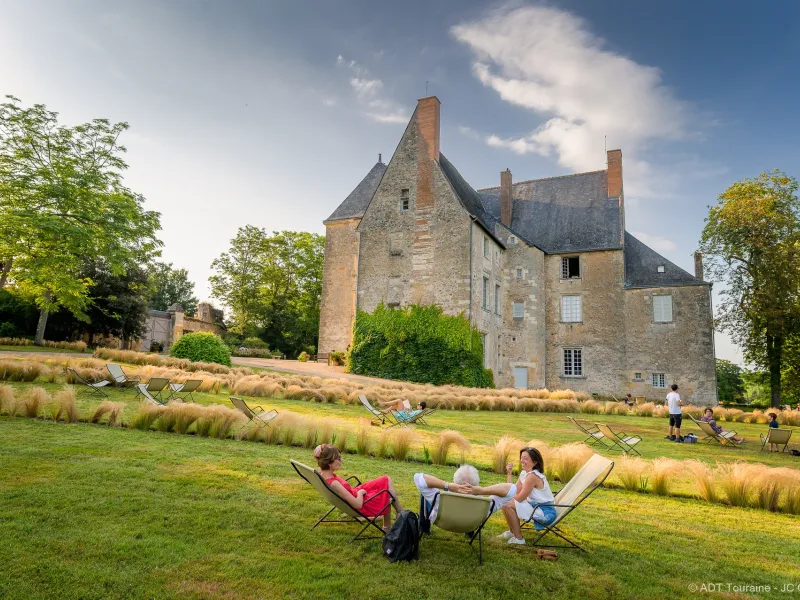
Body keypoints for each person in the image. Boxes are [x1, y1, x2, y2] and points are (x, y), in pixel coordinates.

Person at [465, 447, 555, 546]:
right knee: (506, 501)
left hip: (544, 512)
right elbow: (513, 490)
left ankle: (519, 538)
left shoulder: (533, 476)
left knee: (508, 504)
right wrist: (509, 473)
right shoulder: (525, 473)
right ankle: (512, 531)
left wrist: (507, 496)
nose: (522, 461)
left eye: (526, 458)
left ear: (535, 462)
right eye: (521, 457)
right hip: (534, 507)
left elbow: (519, 498)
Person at [314, 444, 403, 530]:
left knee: (385, 480)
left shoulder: (322, 473)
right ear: (329, 463)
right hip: (362, 501)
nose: (341, 461)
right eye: (338, 458)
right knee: (386, 491)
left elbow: (321, 458)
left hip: (355, 492)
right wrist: (360, 493)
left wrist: (321, 447)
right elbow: (357, 505)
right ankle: (398, 516)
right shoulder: (334, 483)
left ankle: (398, 514)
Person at [413, 464, 516, 525]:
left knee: (426, 491)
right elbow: (512, 489)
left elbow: (418, 477)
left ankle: (423, 527)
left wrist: (448, 485)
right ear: (476, 483)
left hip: (443, 521)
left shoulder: (441, 498)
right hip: (471, 524)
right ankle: (469, 533)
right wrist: (482, 491)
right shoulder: (486, 505)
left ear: (455, 481)